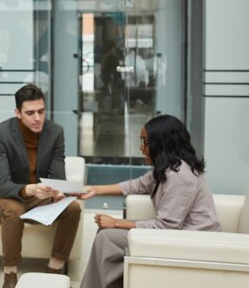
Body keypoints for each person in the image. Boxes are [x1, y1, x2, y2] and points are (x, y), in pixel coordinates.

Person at [79, 114, 221, 288]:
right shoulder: (169, 168)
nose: (142, 148)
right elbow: (137, 185)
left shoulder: (180, 176)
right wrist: (95, 189)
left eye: (145, 142)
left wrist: (116, 222)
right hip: (178, 235)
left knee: (106, 237)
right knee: (105, 234)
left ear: (161, 143)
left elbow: (165, 227)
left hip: (193, 243)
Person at [0, 84, 81, 288]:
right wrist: (29, 189)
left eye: (41, 111)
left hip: (39, 197)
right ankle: (9, 276)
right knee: (13, 209)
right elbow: (2, 184)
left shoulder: (55, 132)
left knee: (72, 208)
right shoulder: (0, 133)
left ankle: (54, 269)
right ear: (17, 113)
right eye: (30, 113)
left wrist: (58, 192)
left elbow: (57, 176)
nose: (37, 118)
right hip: (7, 196)